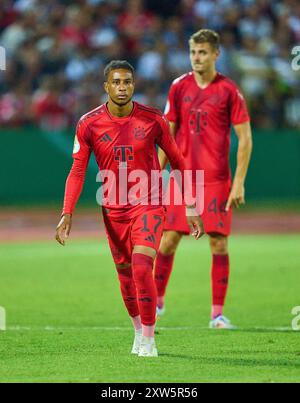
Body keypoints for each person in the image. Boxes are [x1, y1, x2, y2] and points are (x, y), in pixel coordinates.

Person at [55, 60, 204, 357]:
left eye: (127, 82)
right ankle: (138, 330)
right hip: (113, 210)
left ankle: (150, 338)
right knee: (124, 274)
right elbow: (77, 170)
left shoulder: (153, 119)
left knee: (140, 266)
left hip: (148, 204)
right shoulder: (88, 123)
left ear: (133, 85)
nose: (122, 87)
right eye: (116, 82)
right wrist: (66, 212)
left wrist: (190, 204)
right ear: (106, 86)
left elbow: (178, 161)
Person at [154, 29, 252, 329]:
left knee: (219, 245)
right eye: (193, 52)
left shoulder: (228, 90)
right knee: (168, 241)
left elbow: (245, 138)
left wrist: (238, 182)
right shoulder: (178, 87)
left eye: (203, 52)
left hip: (216, 181)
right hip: (184, 180)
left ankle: (217, 314)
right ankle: (155, 303)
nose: (197, 57)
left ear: (216, 54)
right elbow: (166, 133)